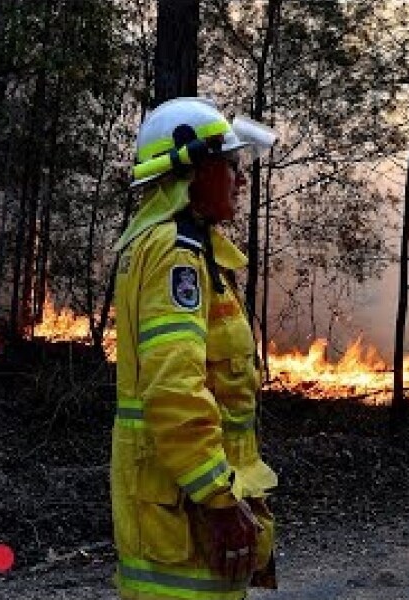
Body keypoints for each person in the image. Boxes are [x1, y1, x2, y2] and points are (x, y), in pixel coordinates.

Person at [111, 97, 278, 600]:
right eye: (230, 165)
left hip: (183, 508)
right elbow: (175, 389)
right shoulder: (174, 254)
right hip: (186, 517)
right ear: (196, 170)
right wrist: (219, 499)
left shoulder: (191, 250)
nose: (239, 179)